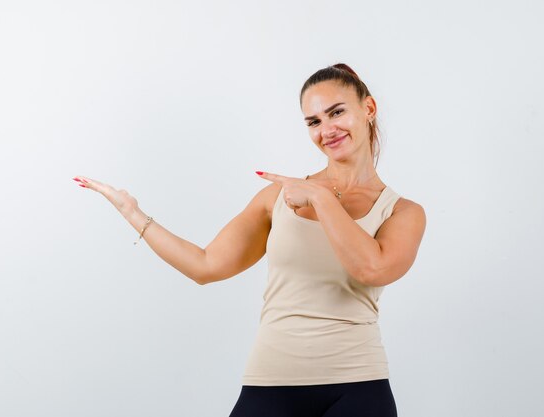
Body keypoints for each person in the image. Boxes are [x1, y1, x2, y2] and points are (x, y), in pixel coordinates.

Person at [72, 63, 426, 417]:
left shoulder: (402, 212)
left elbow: (371, 268)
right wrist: (133, 213)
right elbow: (206, 266)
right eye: (313, 122)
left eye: (337, 112)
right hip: (271, 384)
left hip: (359, 388)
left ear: (368, 108)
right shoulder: (277, 198)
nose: (326, 130)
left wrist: (321, 198)